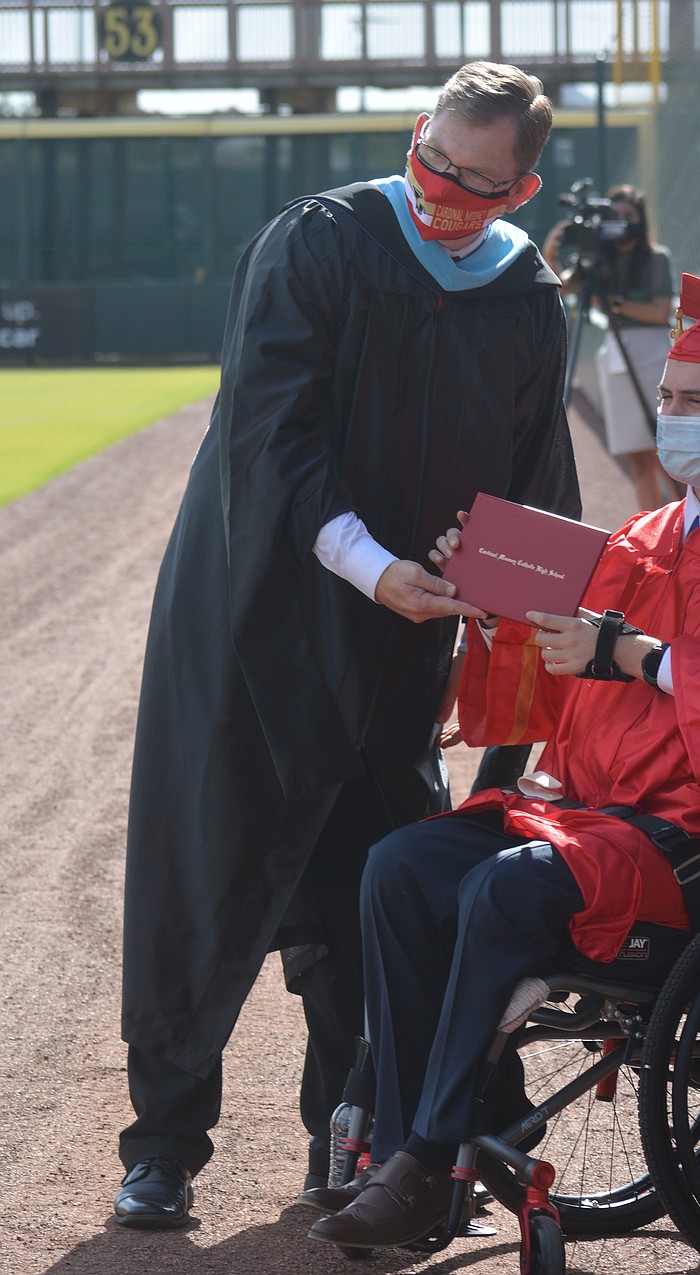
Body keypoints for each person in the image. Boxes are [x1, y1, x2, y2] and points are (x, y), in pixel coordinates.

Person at [113, 61, 582, 1228]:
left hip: (398, 643)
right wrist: (375, 570)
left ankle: (358, 1138)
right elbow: (268, 441)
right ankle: (163, 1147)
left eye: (477, 185)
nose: (441, 198)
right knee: (208, 871)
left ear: (519, 190)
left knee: (375, 882)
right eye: (432, 162)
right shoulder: (317, 244)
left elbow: (532, 497)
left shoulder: (525, 299)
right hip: (253, 619)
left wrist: (499, 618)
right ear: (415, 134)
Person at [303, 276, 700, 1251]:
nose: (666, 415)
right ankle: (396, 1146)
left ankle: (428, 1160)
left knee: (507, 890)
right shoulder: (639, 539)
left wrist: (635, 656)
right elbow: (556, 684)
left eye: (692, 402)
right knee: (399, 868)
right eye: (667, 395)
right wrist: (488, 592)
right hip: (595, 819)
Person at [543, 183, 678, 511]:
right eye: (613, 216)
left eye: (627, 216)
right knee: (637, 455)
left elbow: (660, 312)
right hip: (616, 357)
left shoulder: (656, 258)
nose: (619, 222)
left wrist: (613, 304)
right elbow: (561, 285)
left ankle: (686, 526)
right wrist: (550, 251)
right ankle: (649, 529)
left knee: (665, 452)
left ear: (640, 219)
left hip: (652, 355)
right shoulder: (598, 259)